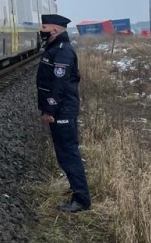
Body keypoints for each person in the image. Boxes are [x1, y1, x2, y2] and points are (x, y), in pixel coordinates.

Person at [38, 14, 91, 213]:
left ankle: (81, 200)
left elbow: (58, 85)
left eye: (44, 27)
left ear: (55, 30)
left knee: (68, 154)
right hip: (62, 108)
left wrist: (50, 108)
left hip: (62, 109)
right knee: (66, 153)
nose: (41, 30)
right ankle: (76, 190)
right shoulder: (55, 48)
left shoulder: (62, 52)